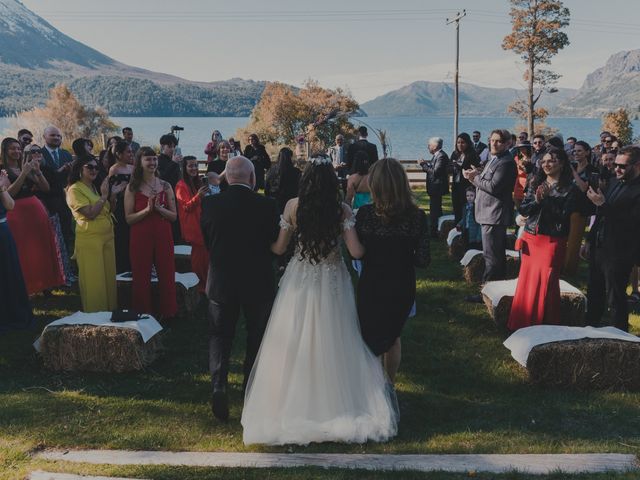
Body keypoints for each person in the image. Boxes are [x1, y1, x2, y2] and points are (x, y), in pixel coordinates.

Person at [241, 156, 398, 445]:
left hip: (299, 280)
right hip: (334, 280)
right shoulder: (342, 210)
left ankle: (292, 402)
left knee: (295, 335)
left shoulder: (292, 206)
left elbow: (278, 247)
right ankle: (339, 402)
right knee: (336, 337)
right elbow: (357, 252)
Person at [200, 156, 280, 421]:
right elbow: (274, 242)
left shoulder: (210, 204)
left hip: (222, 281)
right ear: (252, 178)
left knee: (220, 337)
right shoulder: (268, 205)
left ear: (226, 177)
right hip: (258, 282)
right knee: (256, 337)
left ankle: (219, 386)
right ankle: (250, 391)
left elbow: (208, 240)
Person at [355, 158, 429, 382]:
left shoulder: (365, 215)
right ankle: (389, 385)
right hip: (401, 283)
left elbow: (355, 253)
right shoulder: (417, 216)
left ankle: (375, 387)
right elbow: (423, 260)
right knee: (393, 337)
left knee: (371, 337)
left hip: (372, 284)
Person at [507, 148, 581, 331]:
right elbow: (524, 210)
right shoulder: (535, 182)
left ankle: (545, 324)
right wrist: (538, 200)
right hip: (532, 238)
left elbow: (564, 218)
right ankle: (521, 323)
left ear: (562, 163)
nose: (547, 164)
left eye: (552, 161)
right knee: (527, 280)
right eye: (545, 161)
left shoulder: (570, 189)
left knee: (547, 282)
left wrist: (547, 200)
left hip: (552, 241)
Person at [585, 146, 640, 332]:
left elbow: (632, 223)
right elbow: (600, 215)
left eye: (622, 166)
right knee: (593, 294)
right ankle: (588, 331)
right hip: (599, 247)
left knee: (615, 298)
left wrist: (603, 205)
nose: (616, 169)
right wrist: (589, 240)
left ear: (637, 166)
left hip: (620, 251)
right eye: (615, 165)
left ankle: (621, 340)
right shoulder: (614, 182)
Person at [2, 140, 64, 295]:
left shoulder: (27, 167)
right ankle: (27, 286)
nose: (16, 151)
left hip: (35, 211)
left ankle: (45, 284)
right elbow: (9, 194)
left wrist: (37, 171)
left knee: (40, 248)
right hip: (16, 212)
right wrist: (23, 173)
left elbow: (45, 188)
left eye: (18, 148)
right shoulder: (3, 171)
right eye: (12, 149)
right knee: (23, 251)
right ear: (5, 151)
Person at [463, 129, 517, 302]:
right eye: (492, 140)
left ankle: (486, 294)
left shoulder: (506, 162)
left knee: (492, 257)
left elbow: (494, 187)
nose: (494, 144)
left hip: (494, 214)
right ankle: (497, 293)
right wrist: (476, 175)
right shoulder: (495, 159)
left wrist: (474, 178)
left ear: (508, 143)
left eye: (498, 141)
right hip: (488, 213)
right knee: (494, 255)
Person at [124, 147, 177, 320]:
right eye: (148, 159)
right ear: (139, 162)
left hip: (163, 233)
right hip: (140, 234)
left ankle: (168, 313)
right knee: (141, 274)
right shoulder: (132, 187)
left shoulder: (165, 185)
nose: (153, 163)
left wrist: (159, 209)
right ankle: (143, 313)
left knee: (167, 272)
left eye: (154, 159)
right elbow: (129, 219)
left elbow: (174, 216)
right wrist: (147, 210)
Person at [66, 156, 120, 312]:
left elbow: (108, 211)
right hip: (90, 239)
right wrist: (104, 196)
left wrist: (113, 196)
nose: (94, 170)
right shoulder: (74, 189)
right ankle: (96, 315)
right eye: (89, 167)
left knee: (108, 278)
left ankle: (110, 311)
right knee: (94, 280)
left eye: (96, 167)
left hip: (107, 237)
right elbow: (90, 214)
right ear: (79, 169)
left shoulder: (94, 187)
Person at [0, 169, 34, 333]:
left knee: (9, 273)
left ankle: (14, 313)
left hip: (3, 233)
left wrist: (1, 188)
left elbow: (10, 205)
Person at [175, 156, 210, 294]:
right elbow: (186, 207)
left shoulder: (197, 182)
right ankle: (200, 286)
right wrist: (199, 196)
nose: (194, 168)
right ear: (184, 167)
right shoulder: (180, 185)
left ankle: (205, 283)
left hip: (201, 222)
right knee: (198, 258)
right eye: (190, 166)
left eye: (196, 165)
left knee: (204, 256)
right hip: (192, 225)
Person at [38, 126, 74, 250]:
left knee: (66, 233)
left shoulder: (66, 154)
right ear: (44, 137)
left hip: (65, 200)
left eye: (59, 136)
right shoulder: (39, 154)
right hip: (47, 201)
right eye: (53, 135)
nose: (56, 138)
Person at [563, 140, 595, 276]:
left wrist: (574, 173)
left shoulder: (591, 170)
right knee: (563, 238)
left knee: (574, 242)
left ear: (587, 152)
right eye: (574, 151)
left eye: (579, 150)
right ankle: (561, 265)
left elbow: (584, 188)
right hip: (566, 207)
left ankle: (569, 271)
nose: (576, 153)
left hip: (580, 209)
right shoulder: (572, 166)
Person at [107, 140, 135, 273]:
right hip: (120, 207)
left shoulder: (132, 168)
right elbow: (112, 191)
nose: (131, 154)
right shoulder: (114, 169)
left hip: (134, 206)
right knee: (123, 238)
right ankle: (122, 268)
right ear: (119, 154)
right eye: (128, 151)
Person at [420, 137, 450, 238]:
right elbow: (433, 169)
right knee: (435, 210)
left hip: (437, 188)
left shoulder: (441, 156)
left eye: (429, 145)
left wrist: (424, 165)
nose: (428, 147)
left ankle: (434, 232)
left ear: (435, 146)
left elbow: (435, 172)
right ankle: (437, 230)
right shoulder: (437, 155)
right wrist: (426, 165)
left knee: (435, 211)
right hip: (434, 188)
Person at [450, 132, 481, 223]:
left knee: (466, 208)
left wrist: (461, 167)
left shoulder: (472, 154)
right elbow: (448, 167)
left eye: (463, 142)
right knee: (456, 208)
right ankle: (457, 228)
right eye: (458, 142)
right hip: (456, 184)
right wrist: (454, 167)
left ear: (467, 143)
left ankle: (467, 229)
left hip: (467, 186)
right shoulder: (455, 154)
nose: (460, 145)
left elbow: (477, 168)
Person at [157, 133, 182, 243]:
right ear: (162, 147)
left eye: (174, 147)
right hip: (164, 198)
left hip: (176, 196)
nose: (172, 149)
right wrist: (173, 163)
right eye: (170, 146)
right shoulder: (158, 160)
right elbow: (161, 178)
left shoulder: (174, 161)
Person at [265, 147, 300, 214]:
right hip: (290, 204)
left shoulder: (271, 171)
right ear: (290, 157)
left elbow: (267, 188)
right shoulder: (296, 172)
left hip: (274, 202)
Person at [457, 187, 482, 251]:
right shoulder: (465, 207)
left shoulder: (476, 208)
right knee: (466, 247)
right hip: (466, 231)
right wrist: (460, 224)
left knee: (473, 249)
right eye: (467, 196)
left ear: (475, 196)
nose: (469, 197)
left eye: (471, 195)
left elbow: (480, 224)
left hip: (474, 233)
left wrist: (479, 236)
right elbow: (465, 218)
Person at [513, 140, 534, 211]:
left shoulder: (532, 158)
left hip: (527, 182)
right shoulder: (516, 158)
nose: (521, 150)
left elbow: (532, 172)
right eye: (520, 148)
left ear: (528, 148)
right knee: (517, 202)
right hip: (518, 182)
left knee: (526, 203)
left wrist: (525, 168)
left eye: (523, 148)